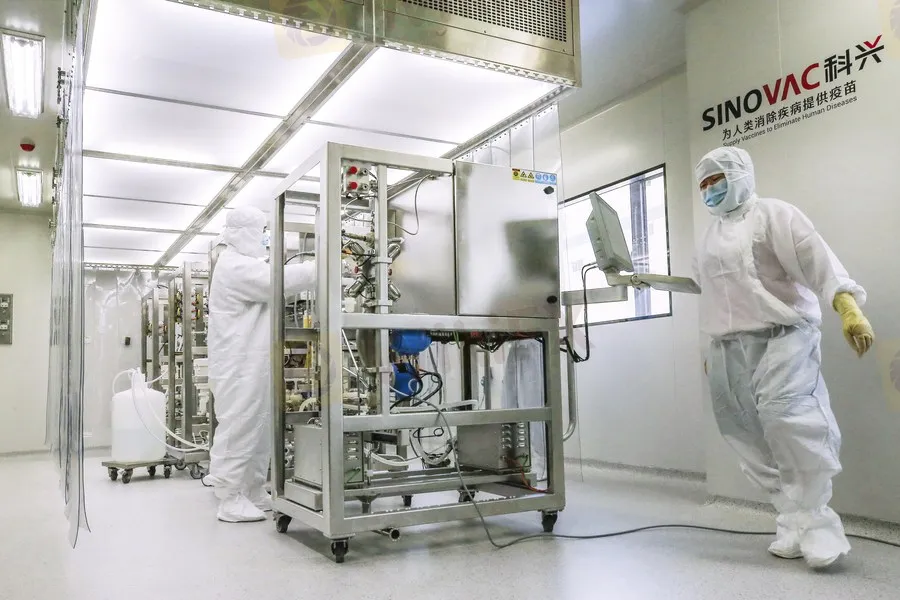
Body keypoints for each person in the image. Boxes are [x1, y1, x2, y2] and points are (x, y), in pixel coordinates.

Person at [693, 146, 874, 568]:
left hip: (783, 335)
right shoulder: (708, 237)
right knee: (744, 431)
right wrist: (710, 347)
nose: (710, 189)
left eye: (717, 179)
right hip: (728, 348)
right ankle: (791, 520)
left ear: (740, 176)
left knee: (790, 422)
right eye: (704, 183)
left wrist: (848, 308)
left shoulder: (774, 215)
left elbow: (818, 261)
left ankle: (819, 525)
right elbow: (712, 293)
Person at [205, 206, 316, 523]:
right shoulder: (234, 266)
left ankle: (252, 489)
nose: (266, 238)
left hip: (252, 363)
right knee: (239, 426)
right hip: (238, 366)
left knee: (259, 426)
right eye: (262, 232)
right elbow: (275, 281)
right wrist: (318, 266)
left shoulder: (245, 264)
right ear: (243, 233)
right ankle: (229, 497)